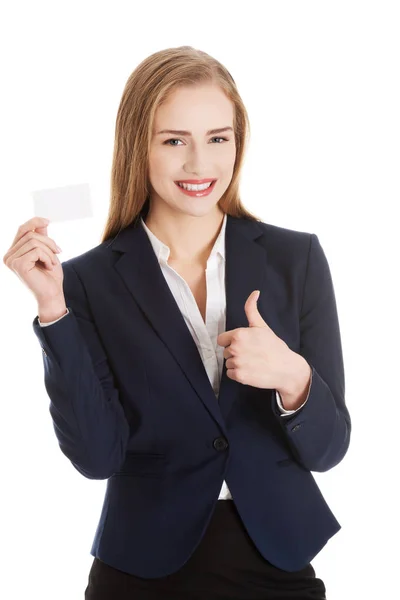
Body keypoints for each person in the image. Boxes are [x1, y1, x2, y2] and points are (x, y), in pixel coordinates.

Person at [3, 46, 351, 600]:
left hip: (278, 563)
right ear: (137, 145)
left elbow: (329, 450)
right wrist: (54, 308)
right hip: (139, 571)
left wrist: (294, 380)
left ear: (239, 142)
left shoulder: (296, 258)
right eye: (174, 141)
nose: (199, 165)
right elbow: (96, 459)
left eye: (218, 138)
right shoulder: (86, 281)